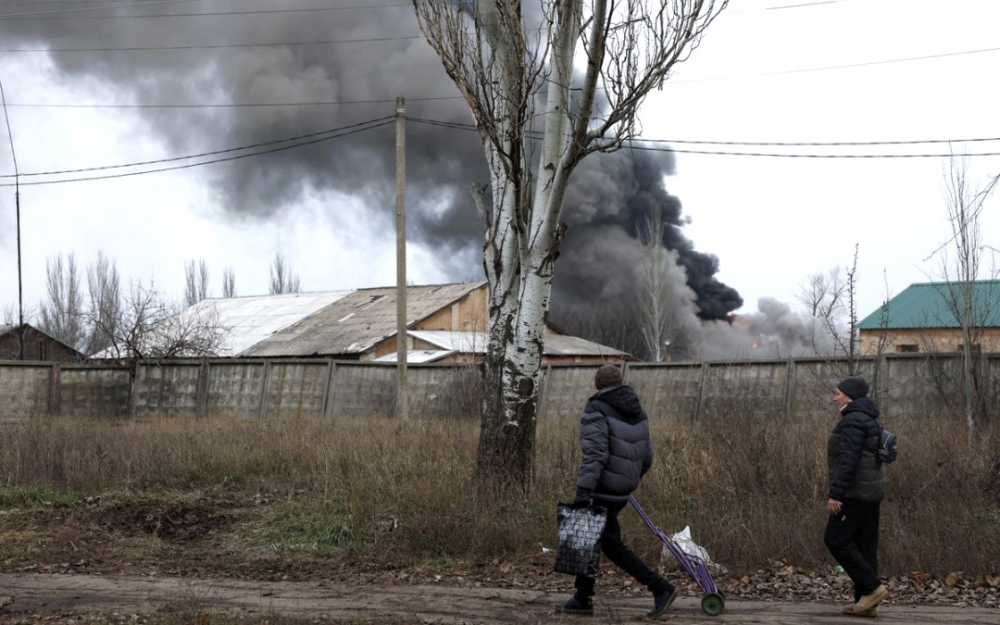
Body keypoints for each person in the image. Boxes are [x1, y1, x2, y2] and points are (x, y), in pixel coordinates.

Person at [555, 364, 679, 619]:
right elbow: (647, 456)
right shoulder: (638, 410)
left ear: (598, 385)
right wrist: (629, 479)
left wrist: (583, 490)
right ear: (620, 383)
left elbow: (595, 453)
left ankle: (660, 587)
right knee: (590, 538)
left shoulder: (596, 408)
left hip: (601, 488)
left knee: (611, 545)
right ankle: (582, 598)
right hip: (622, 489)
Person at [825, 376, 888, 618]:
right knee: (865, 546)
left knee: (835, 539)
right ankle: (866, 603)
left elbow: (848, 462)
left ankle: (872, 588)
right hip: (871, 492)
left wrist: (835, 494)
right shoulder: (869, 419)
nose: (834, 397)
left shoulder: (852, 421)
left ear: (849, 397)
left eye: (838, 393)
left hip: (854, 493)